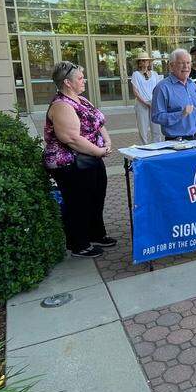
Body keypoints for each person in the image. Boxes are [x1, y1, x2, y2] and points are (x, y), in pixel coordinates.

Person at [44, 61, 115, 258]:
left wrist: (107, 142)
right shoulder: (61, 106)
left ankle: (96, 234)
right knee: (78, 202)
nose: (84, 81)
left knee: (96, 197)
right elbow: (71, 139)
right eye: (80, 78)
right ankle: (78, 244)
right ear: (67, 82)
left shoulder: (82, 100)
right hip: (70, 163)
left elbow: (99, 123)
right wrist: (99, 151)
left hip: (91, 157)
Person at [151, 49, 196, 140]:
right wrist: (181, 114)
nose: (186, 67)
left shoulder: (192, 84)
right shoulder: (162, 88)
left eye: (188, 63)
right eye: (182, 63)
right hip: (176, 142)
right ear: (172, 66)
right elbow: (157, 117)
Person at [129, 51, 161, 144]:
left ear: (149, 62)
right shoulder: (136, 74)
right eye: (142, 61)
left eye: (146, 60)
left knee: (156, 127)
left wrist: (155, 102)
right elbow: (135, 91)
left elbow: (158, 89)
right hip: (141, 103)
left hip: (154, 103)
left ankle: (157, 147)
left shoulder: (155, 74)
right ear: (139, 63)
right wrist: (145, 102)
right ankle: (145, 147)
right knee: (143, 129)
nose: (144, 62)